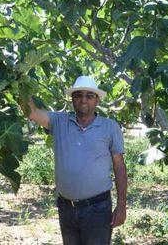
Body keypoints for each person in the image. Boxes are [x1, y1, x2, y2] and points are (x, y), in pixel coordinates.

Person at [23, 76, 127, 245]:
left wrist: (122, 206)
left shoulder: (110, 127)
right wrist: (20, 83)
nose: (83, 100)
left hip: (98, 209)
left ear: (97, 100)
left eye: (89, 96)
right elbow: (32, 112)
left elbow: (119, 167)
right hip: (67, 208)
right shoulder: (59, 121)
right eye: (78, 95)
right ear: (72, 99)